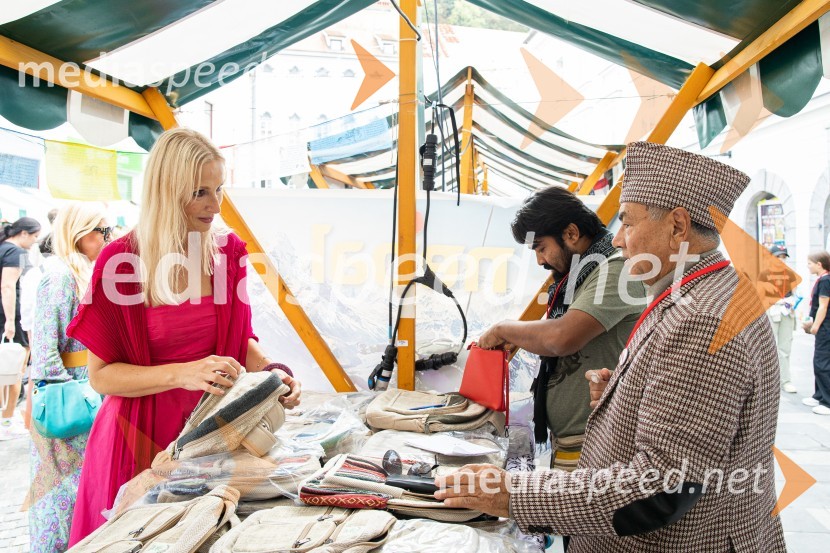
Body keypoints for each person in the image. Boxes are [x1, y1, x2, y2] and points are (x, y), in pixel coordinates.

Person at [435, 141, 785, 552]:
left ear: (677, 226)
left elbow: (659, 489)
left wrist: (509, 493)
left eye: (628, 223)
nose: (618, 239)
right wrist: (624, 396)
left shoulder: (701, 320)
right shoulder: (697, 293)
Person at [67, 128, 302, 544]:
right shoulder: (121, 261)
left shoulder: (228, 253)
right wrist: (184, 373)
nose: (215, 204)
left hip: (211, 436)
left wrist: (272, 375)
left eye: (219, 189)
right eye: (200, 192)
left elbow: (241, 340)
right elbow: (101, 377)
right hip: (135, 437)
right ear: (167, 190)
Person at [477, 186, 645, 471]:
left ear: (570, 233)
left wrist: (504, 329)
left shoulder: (616, 270)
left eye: (541, 248)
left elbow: (561, 337)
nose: (540, 260)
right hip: (575, 441)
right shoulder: (581, 275)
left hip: (597, 444)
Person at [28, 203, 109, 552]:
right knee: (61, 494)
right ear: (81, 235)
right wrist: (78, 397)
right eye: (103, 232)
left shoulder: (87, 273)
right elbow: (45, 352)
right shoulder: (60, 277)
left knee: (84, 489)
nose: (109, 238)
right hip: (72, 399)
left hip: (89, 391)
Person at [0, 216, 41, 440]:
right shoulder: (15, 253)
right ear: (23, 233)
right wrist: (10, 322)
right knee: (15, 368)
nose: (34, 242)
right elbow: (7, 286)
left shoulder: (3, 248)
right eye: (34, 237)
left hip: (5, 315)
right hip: (10, 317)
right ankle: (6, 419)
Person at [759, 245, 798, 393]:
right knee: (769, 347)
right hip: (771, 311)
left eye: (783, 257)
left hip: (787, 312)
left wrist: (792, 302)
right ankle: (769, 381)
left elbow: (795, 293)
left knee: (785, 348)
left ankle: (786, 380)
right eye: (778, 257)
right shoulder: (764, 274)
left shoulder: (790, 274)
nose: (781, 260)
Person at [801, 251, 830, 415]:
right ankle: (819, 395)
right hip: (823, 327)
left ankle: (827, 402)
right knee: (819, 361)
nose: (808, 266)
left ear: (819, 264)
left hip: (825, 328)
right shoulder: (823, 280)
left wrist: (815, 326)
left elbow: (823, 306)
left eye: (810, 263)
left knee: (822, 363)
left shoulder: (826, 280)